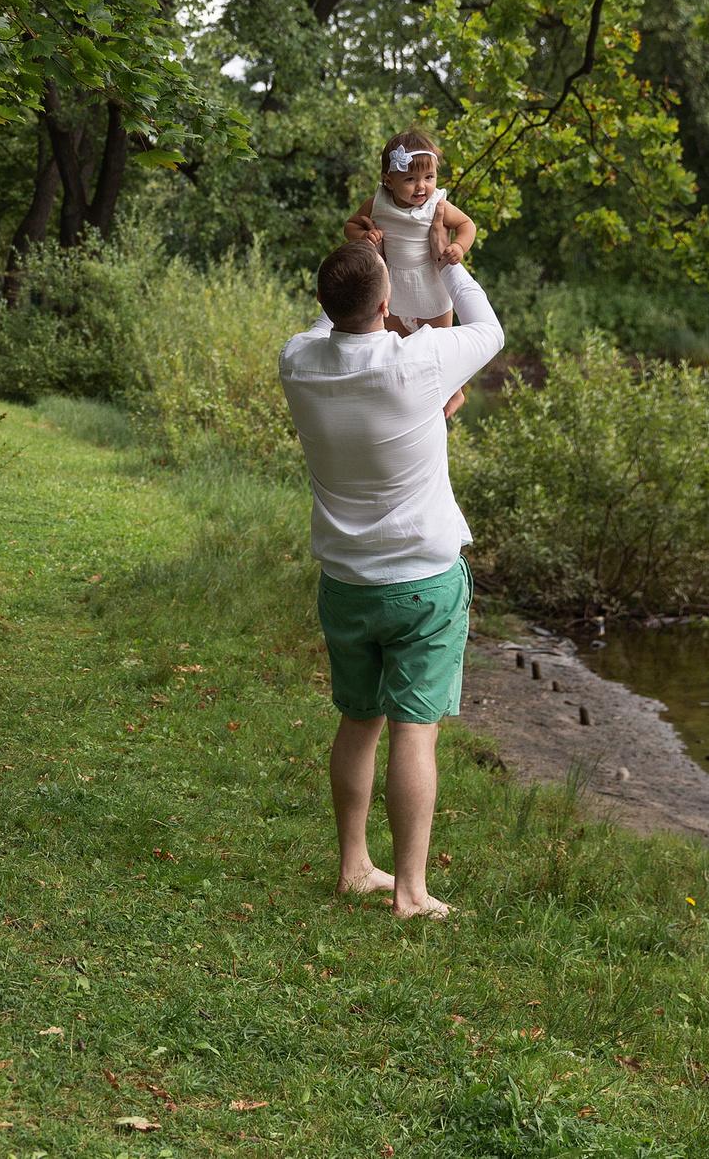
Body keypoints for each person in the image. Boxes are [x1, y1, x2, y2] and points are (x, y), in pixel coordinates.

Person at [276, 238, 504, 915]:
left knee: (359, 718)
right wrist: (444, 260)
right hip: (423, 584)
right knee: (414, 728)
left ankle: (354, 866)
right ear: (387, 302)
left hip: (346, 583)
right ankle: (410, 889)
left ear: (324, 304)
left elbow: (328, 323)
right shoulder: (419, 361)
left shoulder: (299, 362)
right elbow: (488, 328)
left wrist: (364, 262)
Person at [349, 129, 477, 331]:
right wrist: (363, 236)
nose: (421, 186)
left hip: (431, 286)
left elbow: (466, 225)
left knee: (438, 345)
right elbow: (351, 226)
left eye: (429, 177)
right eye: (410, 179)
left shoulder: (435, 204)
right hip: (393, 287)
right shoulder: (377, 204)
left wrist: (459, 246)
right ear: (389, 182)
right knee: (396, 347)